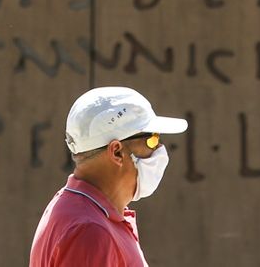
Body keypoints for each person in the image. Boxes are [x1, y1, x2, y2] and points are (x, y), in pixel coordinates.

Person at [30, 86, 189, 267]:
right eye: (152, 140)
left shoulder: (85, 214)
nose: (159, 148)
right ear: (117, 152)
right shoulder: (89, 231)